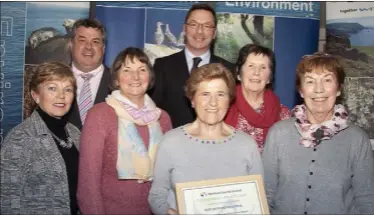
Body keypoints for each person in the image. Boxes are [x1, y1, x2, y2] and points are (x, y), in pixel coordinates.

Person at [262, 53, 374, 214]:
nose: (319, 89)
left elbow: (367, 200)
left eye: (327, 80)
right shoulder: (278, 134)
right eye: (310, 81)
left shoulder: (357, 140)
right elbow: (266, 194)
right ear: (301, 91)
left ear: (339, 89)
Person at [148, 63, 263, 215]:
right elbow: (156, 196)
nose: (213, 103)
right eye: (205, 94)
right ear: (192, 100)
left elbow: (258, 200)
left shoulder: (247, 145)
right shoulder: (171, 142)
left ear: (229, 100)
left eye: (220, 94)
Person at [77, 47, 173, 214]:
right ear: (116, 79)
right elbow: (88, 181)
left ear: (149, 77)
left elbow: (168, 176)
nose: (135, 77)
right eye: (127, 70)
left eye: (142, 70)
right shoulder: (99, 115)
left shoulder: (162, 118)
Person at [1, 62, 80, 214]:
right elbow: (7, 201)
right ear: (35, 95)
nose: (61, 96)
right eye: (52, 88)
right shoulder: (20, 138)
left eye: (68, 89)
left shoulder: (75, 133)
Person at [150, 3, 234, 128]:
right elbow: (154, 111)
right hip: (173, 141)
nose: (199, 31)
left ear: (214, 33)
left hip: (215, 143)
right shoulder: (163, 66)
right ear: (185, 29)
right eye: (194, 25)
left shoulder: (228, 69)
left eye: (207, 26)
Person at [225, 44, 290, 153]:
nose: (256, 72)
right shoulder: (222, 108)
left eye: (263, 67)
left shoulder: (283, 114)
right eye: (251, 66)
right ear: (239, 74)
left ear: (269, 77)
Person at [67, 18, 111, 129]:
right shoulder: (52, 80)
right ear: (71, 44)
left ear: (103, 48)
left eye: (95, 41)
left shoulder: (120, 83)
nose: (89, 47)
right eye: (82, 40)